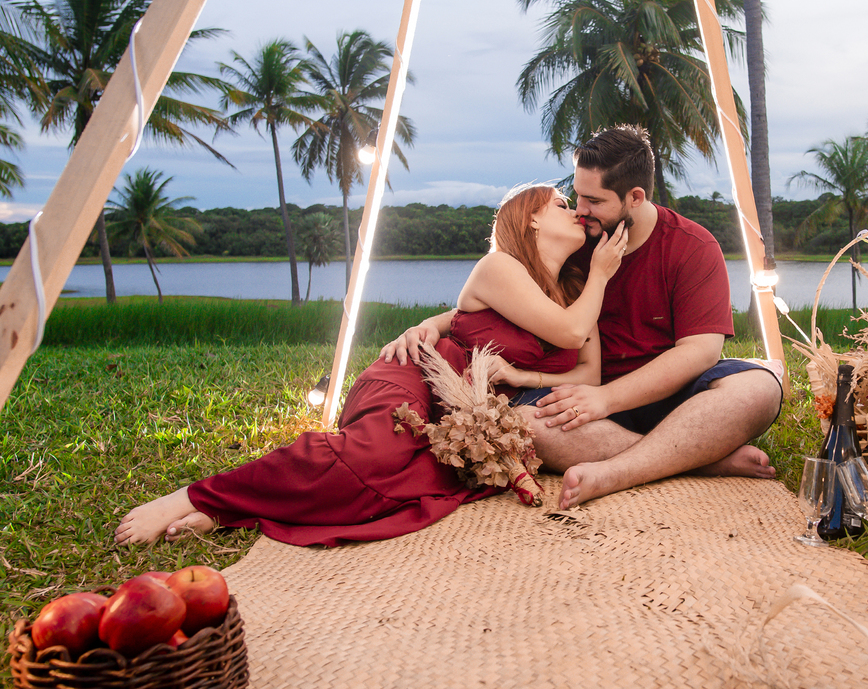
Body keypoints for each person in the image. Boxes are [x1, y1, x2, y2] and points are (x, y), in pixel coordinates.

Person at [115, 185, 628, 547]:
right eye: (561, 204)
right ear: (531, 218)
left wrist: (523, 378)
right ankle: (193, 495)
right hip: (421, 372)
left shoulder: (576, 292)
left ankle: (226, 510)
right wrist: (603, 275)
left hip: (463, 410)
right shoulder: (501, 266)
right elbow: (567, 333)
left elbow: (589, 373)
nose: (574, 212)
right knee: (373, 452)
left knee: (415, 479)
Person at [382, 125, 784, 510]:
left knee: (760, 388)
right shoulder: (576, 240)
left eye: (593, 201)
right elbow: (499, 303)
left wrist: (607, 398)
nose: (580, 210)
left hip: (668, 396)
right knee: (524, 422)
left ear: (635, 197)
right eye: (576, 196)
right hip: (581, 399)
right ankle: (701, 457)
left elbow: (700, 353)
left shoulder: (692, 245)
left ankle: (620, 470)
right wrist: (430, 325)